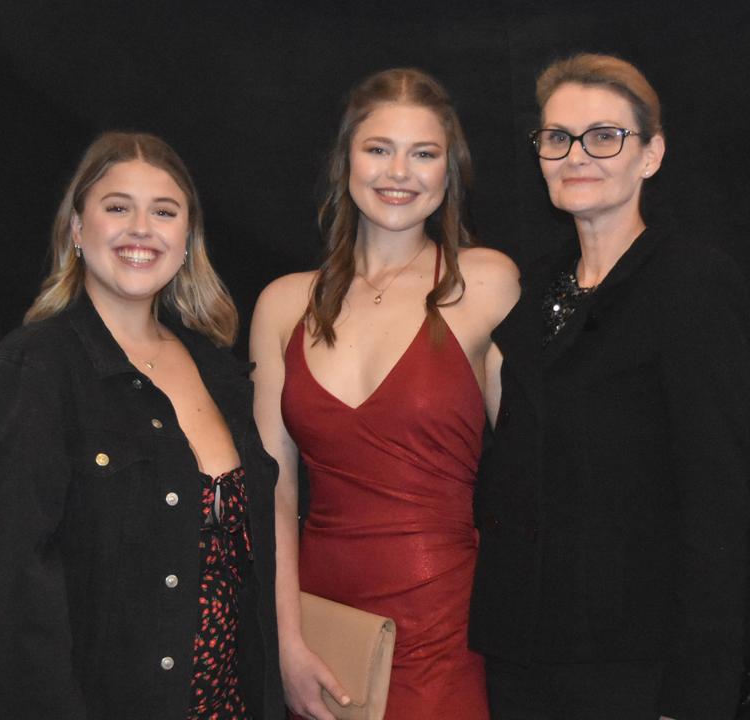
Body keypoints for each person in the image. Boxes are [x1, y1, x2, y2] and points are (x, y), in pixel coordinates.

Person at [0, 131, 283, 719]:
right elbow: (9, 603)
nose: (141, 228)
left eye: (164, 211)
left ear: (187, 239)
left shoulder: (217, 370)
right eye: (116, 208)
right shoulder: (33, 372)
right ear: (77, 230)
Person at [469, 54, 750, 720]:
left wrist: (695, 693)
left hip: (634, 661)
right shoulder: (533, 288)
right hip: (521, 651)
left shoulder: (690, 283)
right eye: (556, 137)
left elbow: (716, 503)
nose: (576, 155)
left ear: (649, 155)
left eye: (604, 136)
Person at [250, 69, 519, 720]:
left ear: (448, 171)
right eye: (378, 148)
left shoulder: (486, 282)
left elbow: (532, 476)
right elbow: (273, 493)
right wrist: (284, 644)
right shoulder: (284, 303)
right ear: (345, 160)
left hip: (446, 625)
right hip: (320, 625)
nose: (399, 171)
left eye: (423, 153)